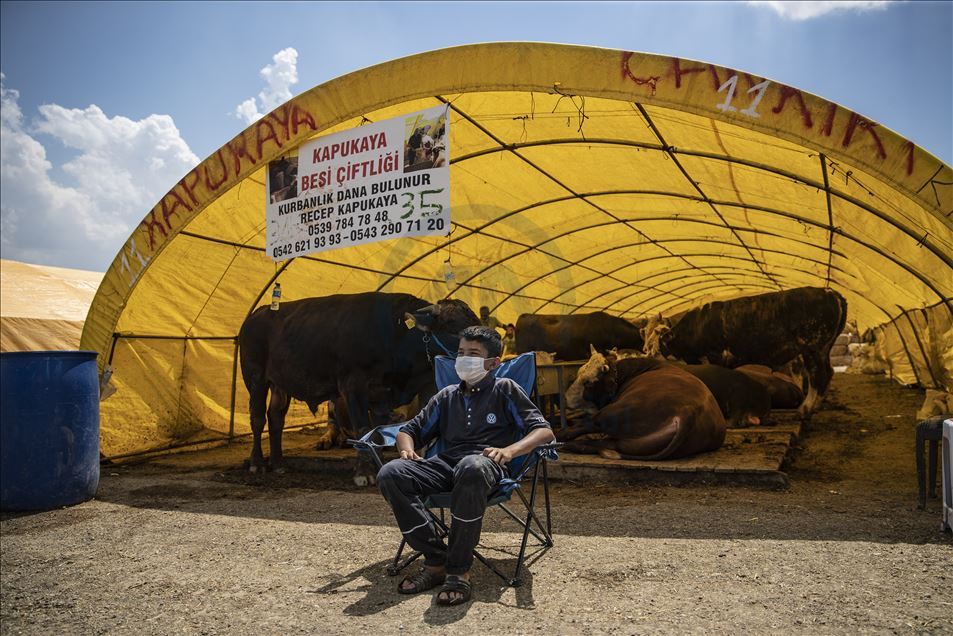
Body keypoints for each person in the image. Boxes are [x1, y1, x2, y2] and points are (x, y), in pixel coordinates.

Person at [376, 325, 555, 606]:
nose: (463, 360)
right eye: (461, 353)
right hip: (445, 465)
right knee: (391, 473)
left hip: (486, 467)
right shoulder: (446, 396)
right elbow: (408, 431)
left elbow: (544, 431)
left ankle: (459, 571)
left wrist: (510, 450)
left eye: (473, 354)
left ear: (494, 362)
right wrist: (407, 450)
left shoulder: (505, 389)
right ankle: (436, 561)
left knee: (472, 466)